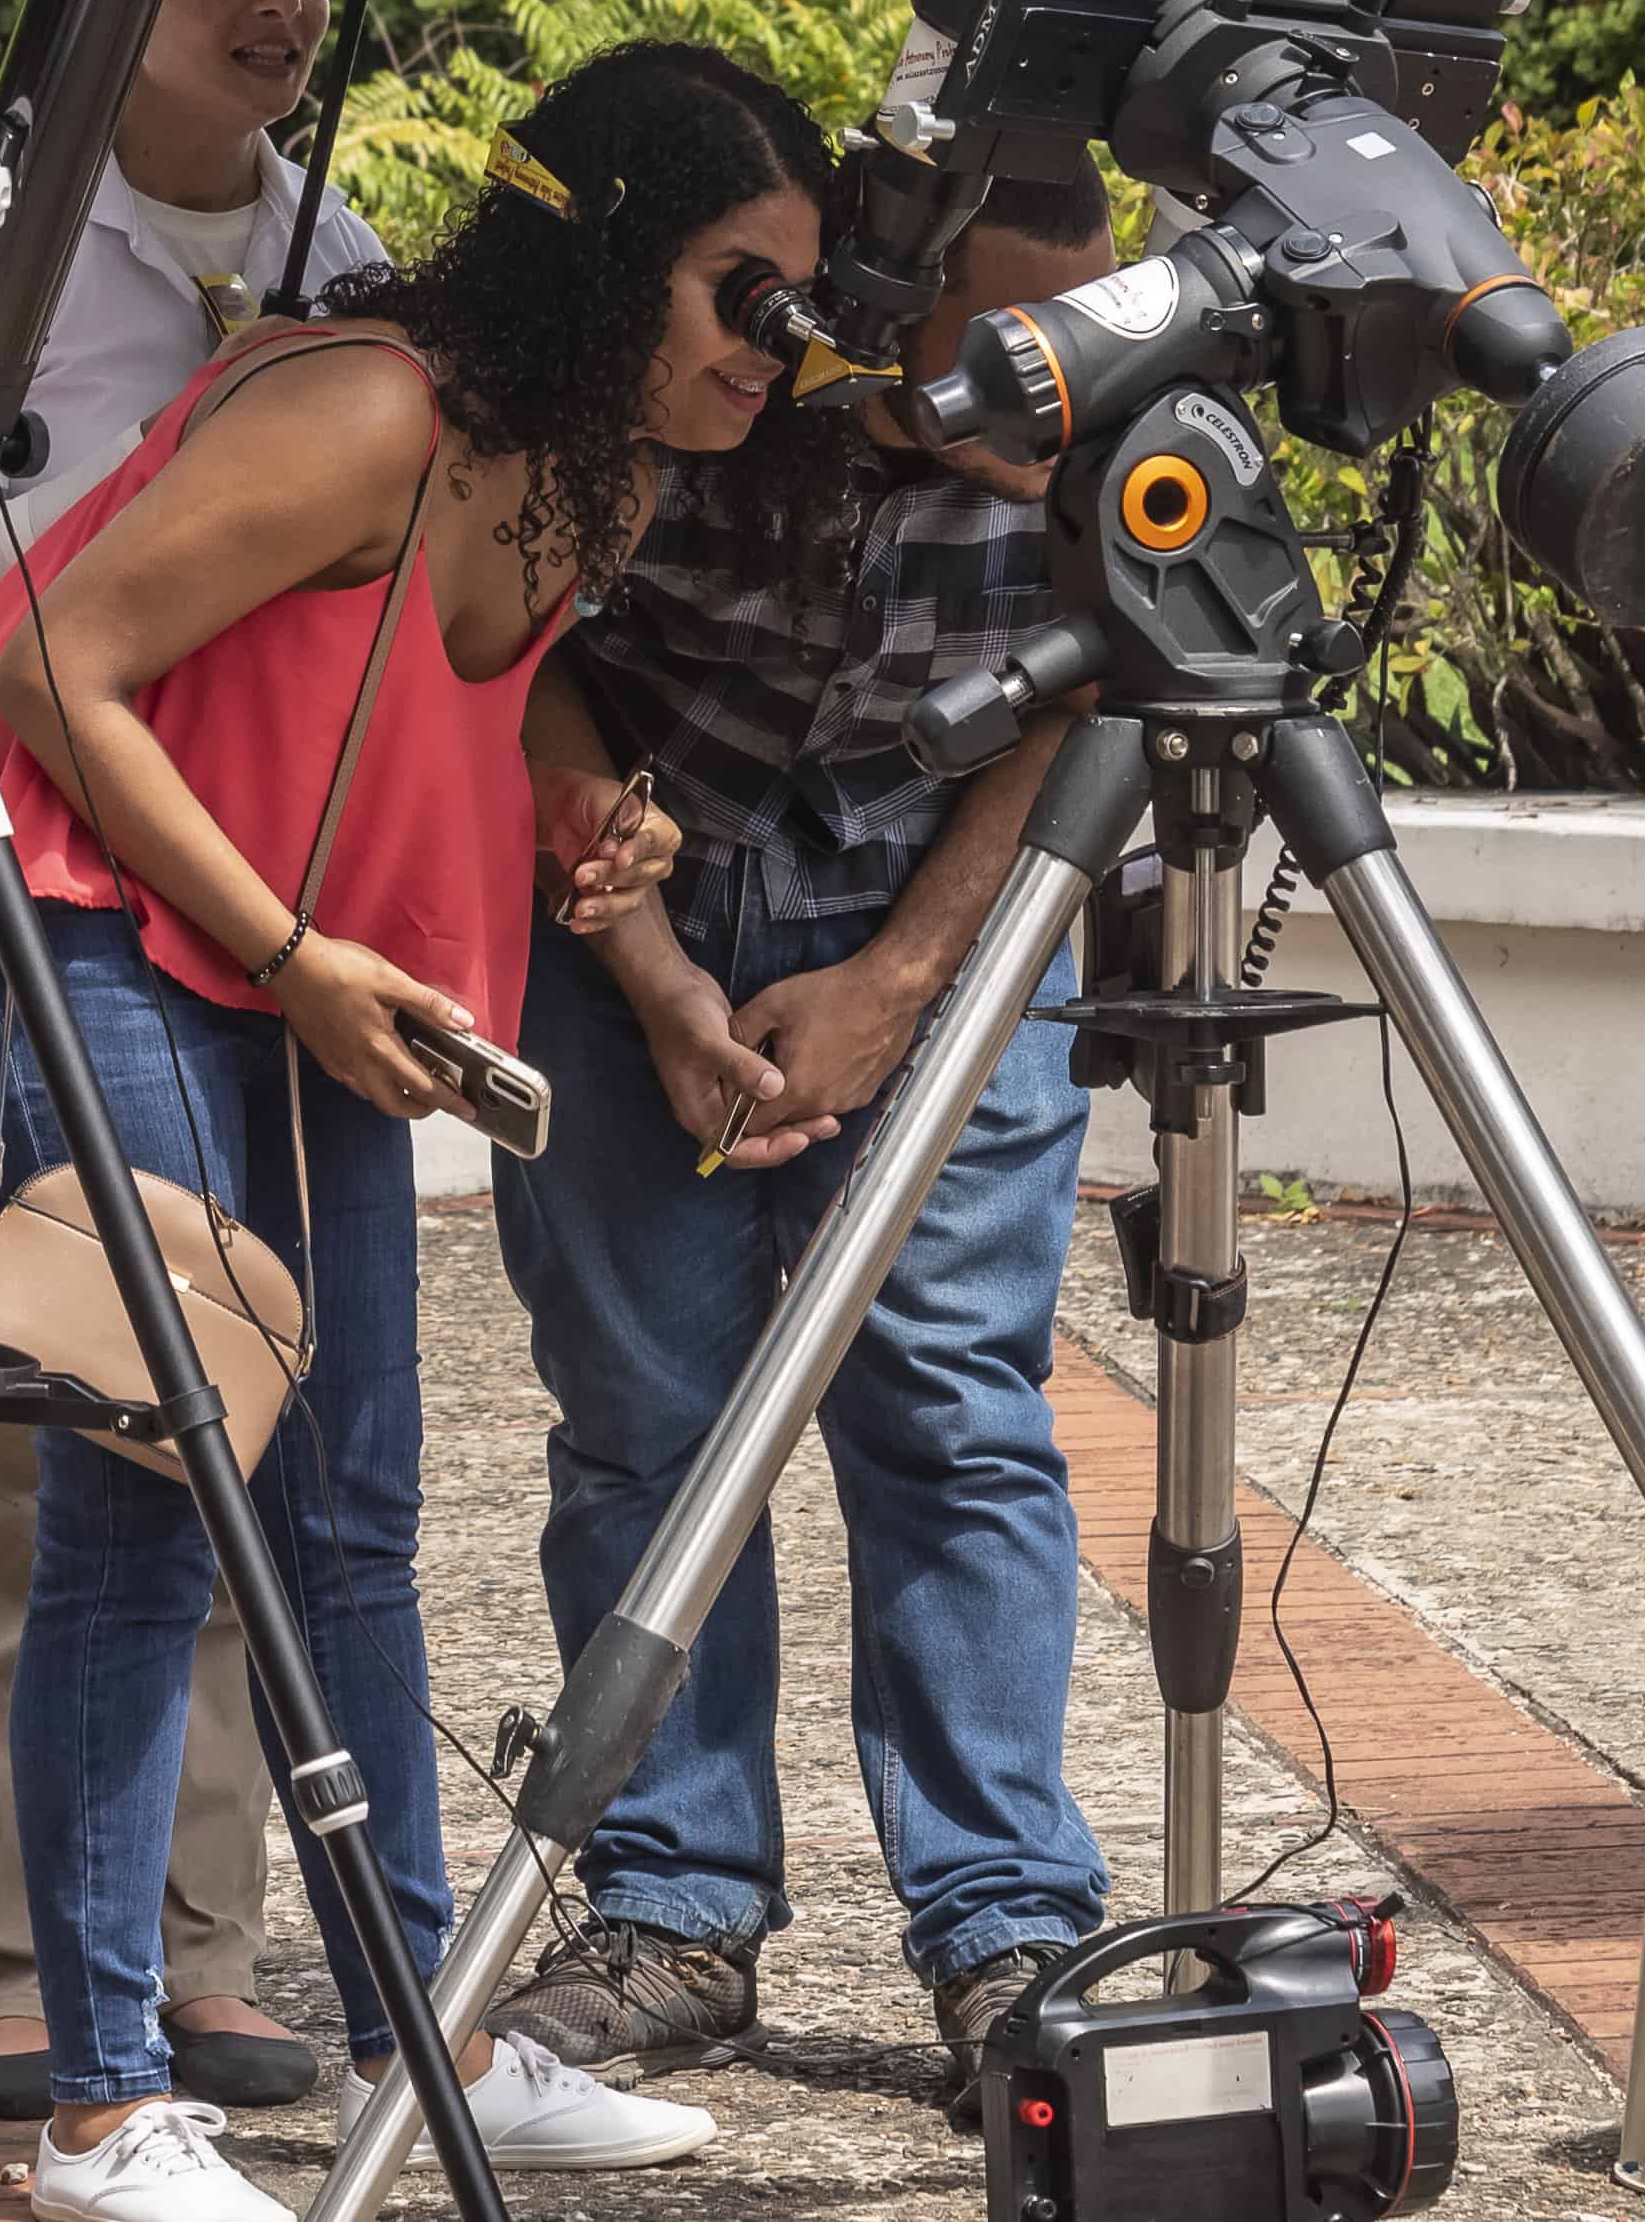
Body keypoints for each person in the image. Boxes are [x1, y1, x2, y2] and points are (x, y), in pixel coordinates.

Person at [0, 43, 847, 2222]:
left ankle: (417, 2043)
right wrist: (291, 952)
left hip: (295, 950)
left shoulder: (591, 468)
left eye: (794, 306)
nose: (772, 355)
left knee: (352, 1506)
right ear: (614, 263)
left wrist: (586, 826)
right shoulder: (361, 405)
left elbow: (455, 698)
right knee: (161, 1487)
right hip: (69, 907)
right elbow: (54, 674)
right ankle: (97, 2106)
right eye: (741, 294)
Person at [485, 169, 1127, 2130]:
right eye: (1004, 379)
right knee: (646, 1416)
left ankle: (1005, 1928)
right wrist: (666, 981)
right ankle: (669, 1911)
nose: (1051, 424)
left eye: (1073, 379)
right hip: (635, 896)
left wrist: (902, 981)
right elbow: (529, 662)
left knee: (945, 1405)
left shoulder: (1128, 418)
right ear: (882, 331)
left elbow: (1090, 697)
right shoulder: (711, 400)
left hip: (961, 896)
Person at [0, 0, 389, 2126]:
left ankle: (193, 1943)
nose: (276, 5)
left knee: (235, 1401)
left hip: (229, 889)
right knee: (57, 1405)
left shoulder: (350, 256)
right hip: (5, 872)